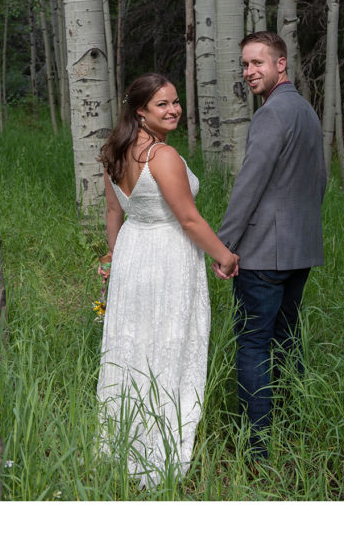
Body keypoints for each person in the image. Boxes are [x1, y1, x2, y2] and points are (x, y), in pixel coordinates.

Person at [96, 73, 239, 488]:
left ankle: (123, 442)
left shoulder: (115, 151)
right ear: (140, 110)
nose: (174, 109)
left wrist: (115, 254)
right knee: (169, 343)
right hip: (166, 256)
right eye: (163, 104)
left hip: (133, 254)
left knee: (135, 344)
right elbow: (190, 220)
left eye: (176, 102)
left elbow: (112, 213)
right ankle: (157, 453)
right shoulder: (161, 156)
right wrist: (225, 257)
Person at [212, 30, 326, 460]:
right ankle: (292, 426)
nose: (248, 71)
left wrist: (225, 245)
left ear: (281, 64)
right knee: (285, 338)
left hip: (263, 252)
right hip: (300, 249)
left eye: (257, 62)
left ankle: (256, 448)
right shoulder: (306, 111)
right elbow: (320, 180)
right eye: (244, 64)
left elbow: (249, 183)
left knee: (254, 344)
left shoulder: (272, 114)